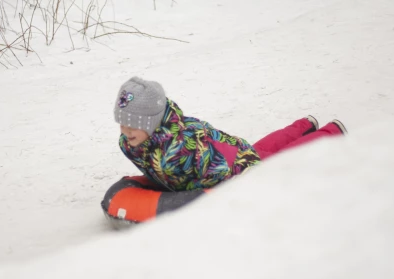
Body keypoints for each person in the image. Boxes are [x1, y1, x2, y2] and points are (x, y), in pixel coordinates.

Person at [114, 76, 346, 192]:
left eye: (132, 125)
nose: (126, 132)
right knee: (261, 150)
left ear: (152, 123)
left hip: (230, 167)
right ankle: (305, 124)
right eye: (122, 124)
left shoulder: (179, 150)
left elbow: (205, 182)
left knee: (276, 161)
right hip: (227, 148)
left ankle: (331, 132)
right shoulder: (131, 143)